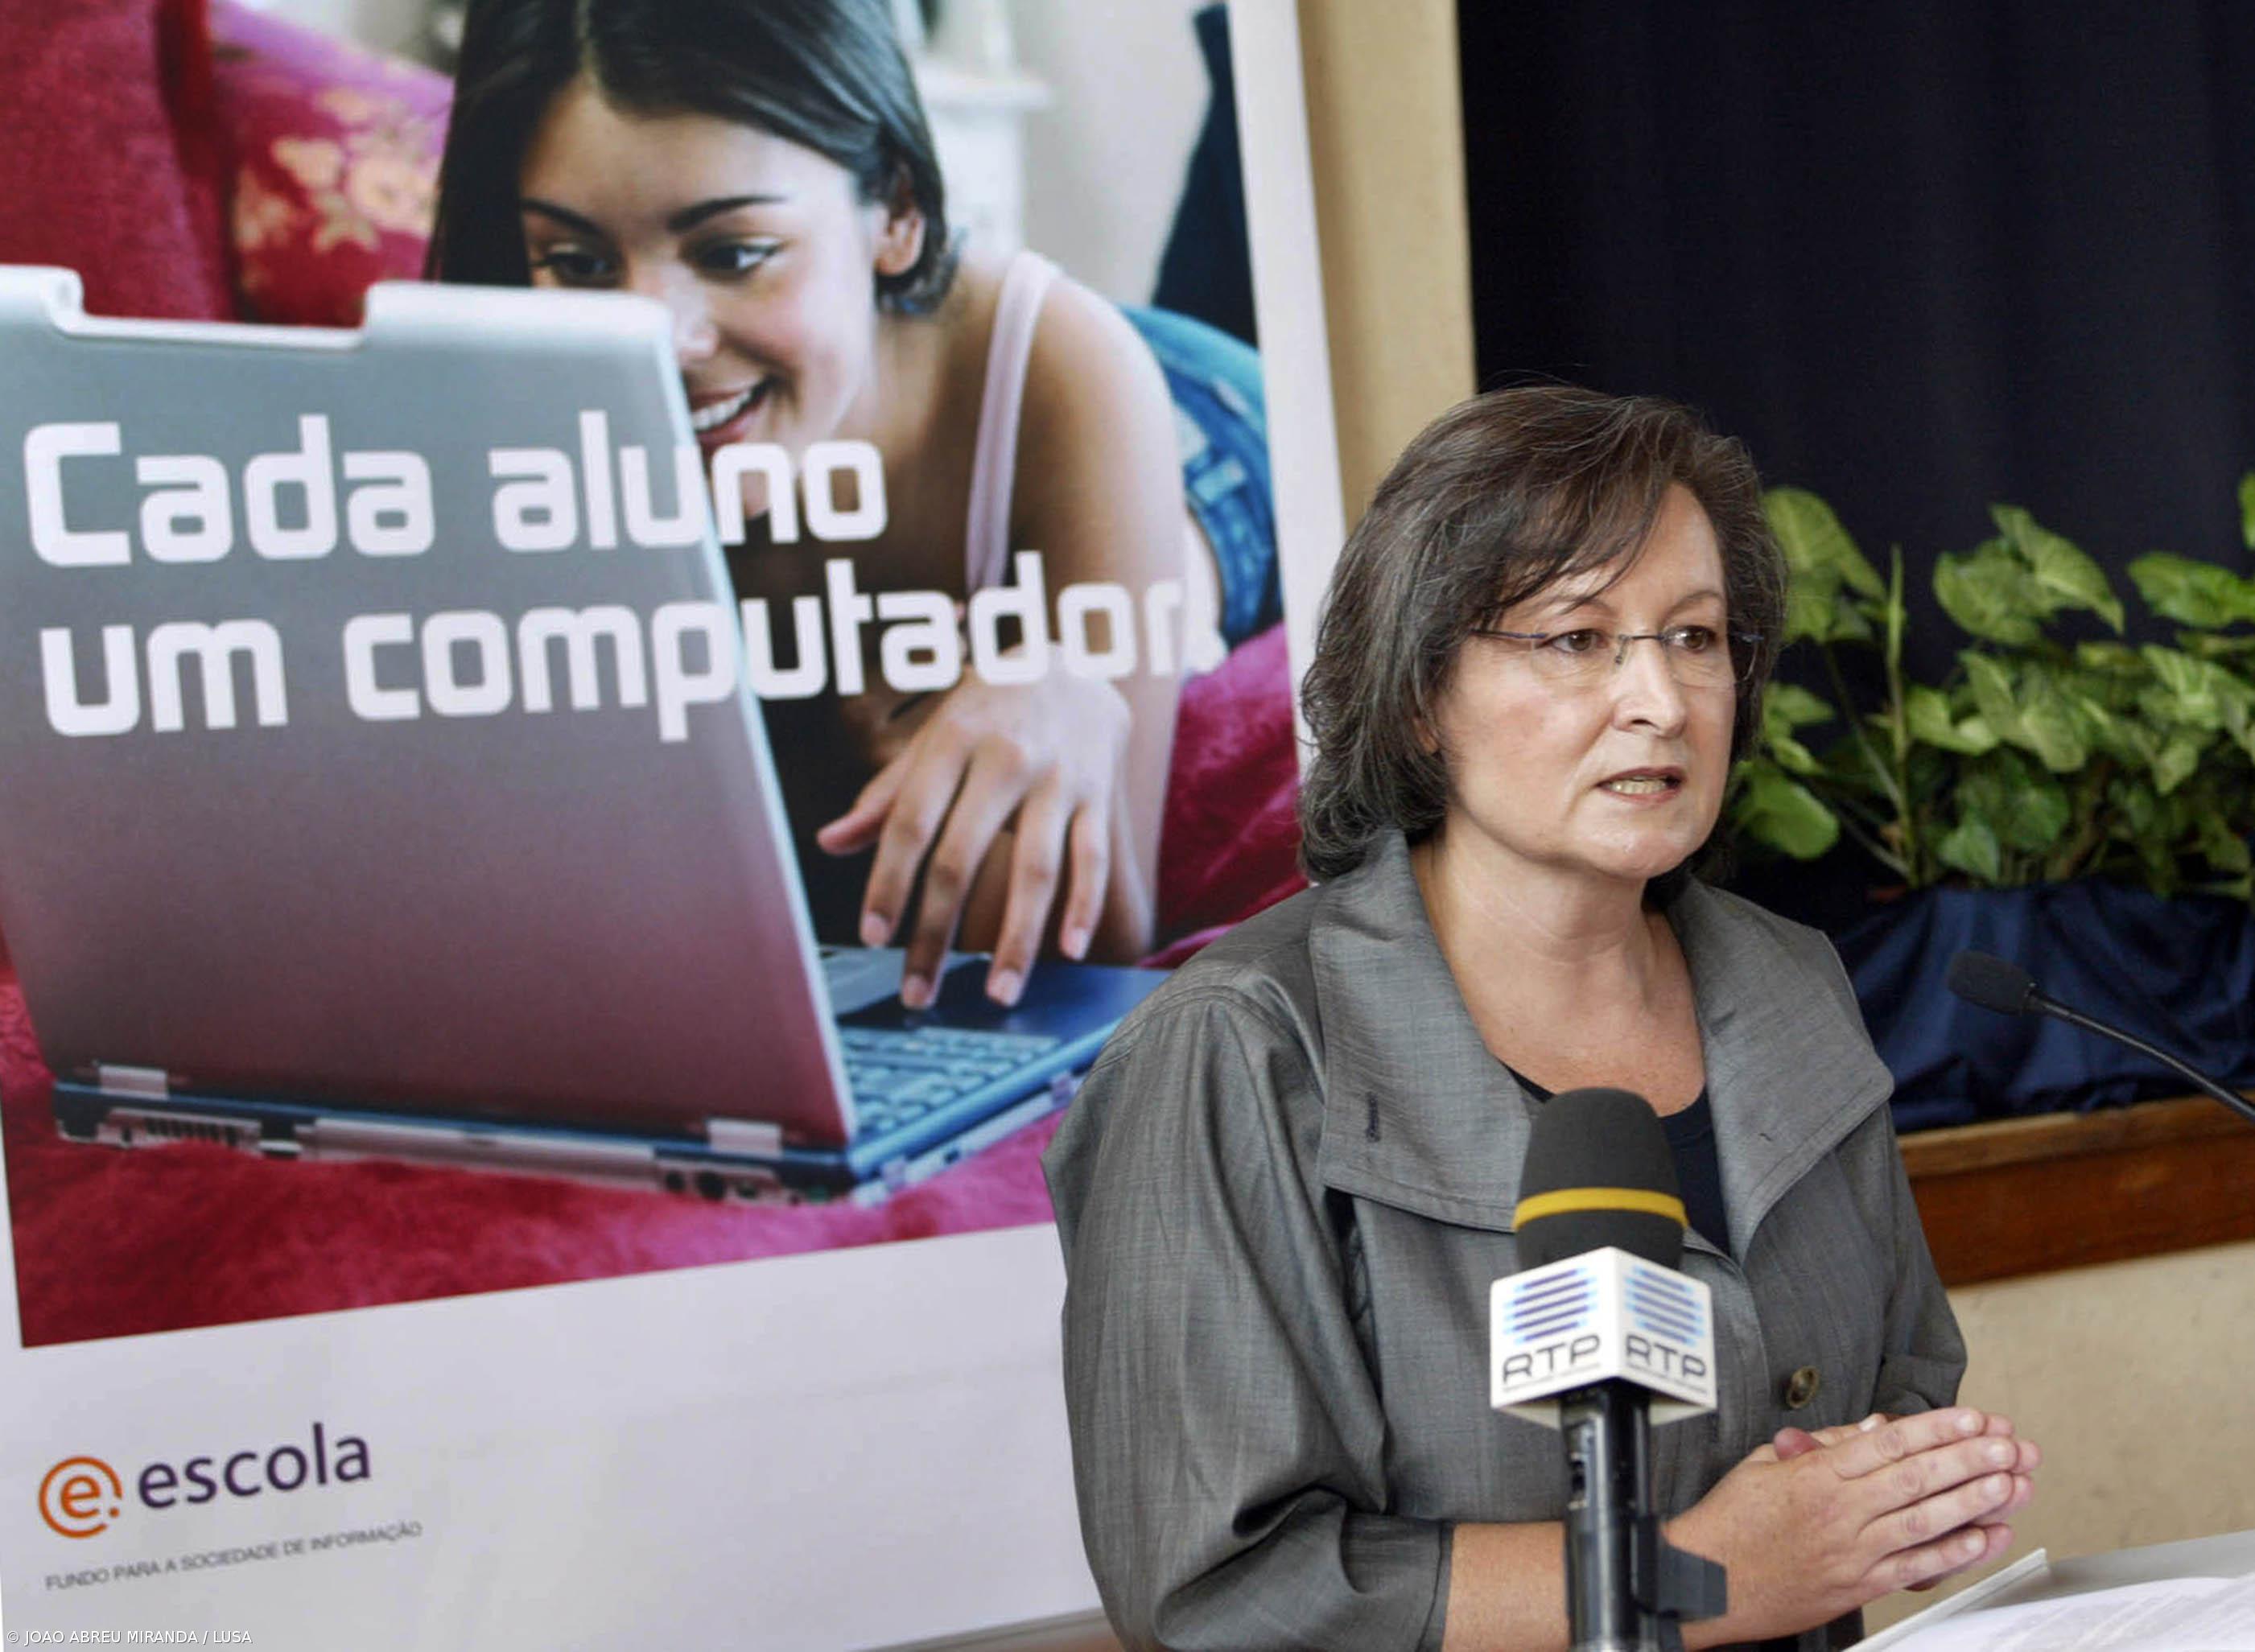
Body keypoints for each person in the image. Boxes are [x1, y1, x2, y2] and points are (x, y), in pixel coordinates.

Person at [1044, 386, 2041, 1652]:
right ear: (1420, 696)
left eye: (1695, 636)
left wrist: (1893, 1488)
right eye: (1576, 638)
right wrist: (1700, 1576)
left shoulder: (1789, 980)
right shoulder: (1237, 1049)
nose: (1660, 699)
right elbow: (1216, 1597)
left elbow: (1898, 1369)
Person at [427, 0, 1279, 1007]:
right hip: (828, 363)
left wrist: (1064, 680)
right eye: (578, 263)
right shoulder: (498, 394)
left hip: (1191, 422)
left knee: (1133, 613)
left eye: (732, 253)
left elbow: (1089, 950)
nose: (655, 340)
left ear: (898, 211)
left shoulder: (1061, 368)